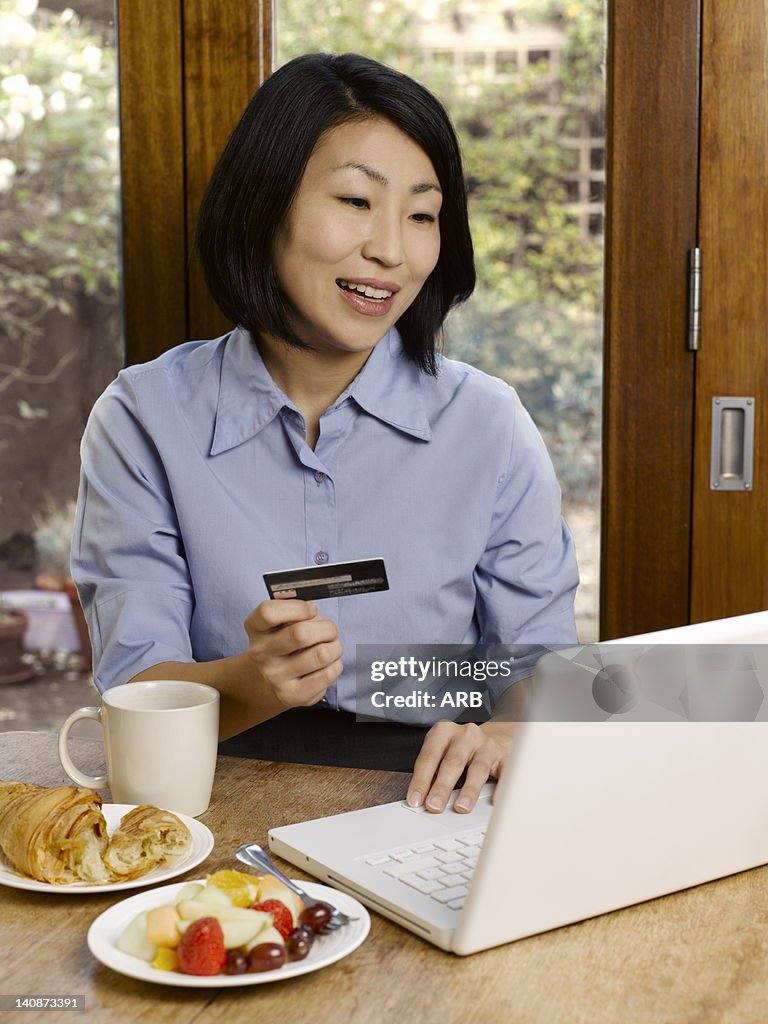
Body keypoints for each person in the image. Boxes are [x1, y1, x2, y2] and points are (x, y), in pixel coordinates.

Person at [71, 52, 579, 814]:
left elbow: (537, 667)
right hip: (209, 795)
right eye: (355, 200)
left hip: (431, 798)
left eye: (421, 215)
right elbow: (135, 688)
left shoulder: (489, 424)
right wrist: (249, 680)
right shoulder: (144, 419)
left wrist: (508, 731)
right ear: (264, 203)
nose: (391, 251)